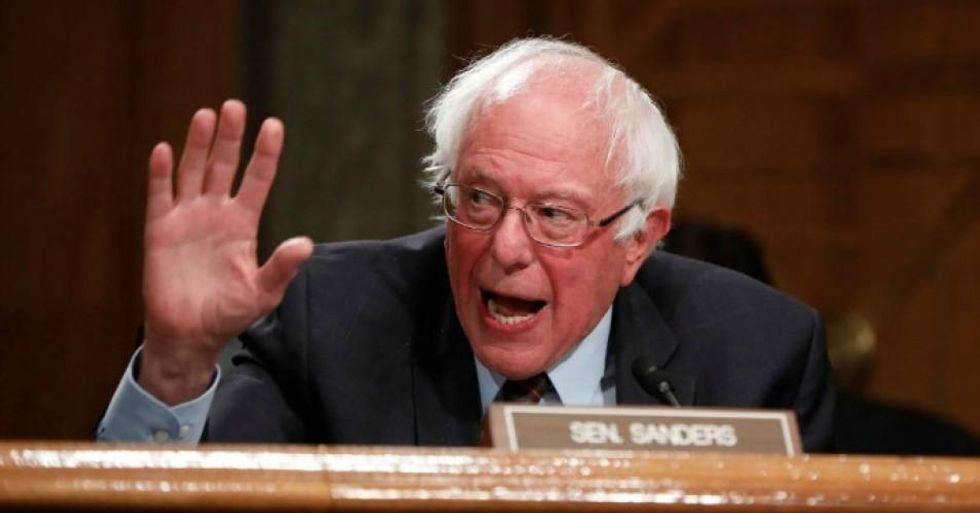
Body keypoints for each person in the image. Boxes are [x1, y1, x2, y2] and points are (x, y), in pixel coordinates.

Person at [98, 38, 835, 451]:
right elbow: (206, 498)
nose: (506, 247)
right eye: (479, 199)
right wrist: (178, 361)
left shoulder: (760, 353)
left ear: (639, 238)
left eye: (554, 214)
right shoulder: (335, 320)